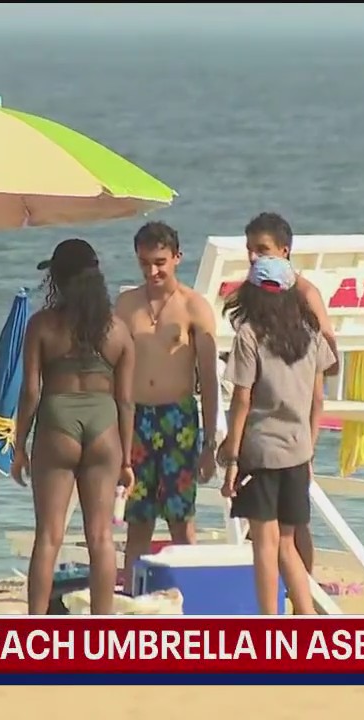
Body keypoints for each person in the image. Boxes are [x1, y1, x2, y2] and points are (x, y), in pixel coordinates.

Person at [12, 238, 135, 615]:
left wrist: (20, 444)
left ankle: (36, 629)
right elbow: (126, 400)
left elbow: (31, 391)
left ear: (58, 281)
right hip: (104, 428)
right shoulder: (118, 331)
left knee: (49, 536)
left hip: (57, 424)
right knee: (101, 536)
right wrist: (127, 458)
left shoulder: (43, 326)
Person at [218, 257, 335, 615]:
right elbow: (318, 398)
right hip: (298, 452)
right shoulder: (311, 335)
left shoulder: (250, 336)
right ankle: (307, 616)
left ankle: (269, 624)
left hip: (262, 452)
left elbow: (242, 399)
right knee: (287, 544)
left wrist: (232, 456)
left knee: (265, 545)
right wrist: (310, 449)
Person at [114, 222, 219, 591]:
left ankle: (191, 601)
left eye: (160, 262)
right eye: (144, 263)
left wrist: (209, 444)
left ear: (177, 257)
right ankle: (132, 598)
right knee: (137, 519)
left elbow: (208, 379)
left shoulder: (194, 306)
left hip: (179, 419)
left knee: (180, 518)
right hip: (136, 418)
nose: (152, 271)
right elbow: (112, 369)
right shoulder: (127, 305)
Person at [241, 212, 338, 573]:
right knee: (277, 529)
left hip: (295, 425)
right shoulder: (259, 289)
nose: (254, 257)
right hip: (270, 427)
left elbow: (328, 362)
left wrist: (310, 444)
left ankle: (301, 600)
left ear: (284, 251)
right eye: (249, 249)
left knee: (293, 527)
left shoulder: (304, 294)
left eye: (262, 249)